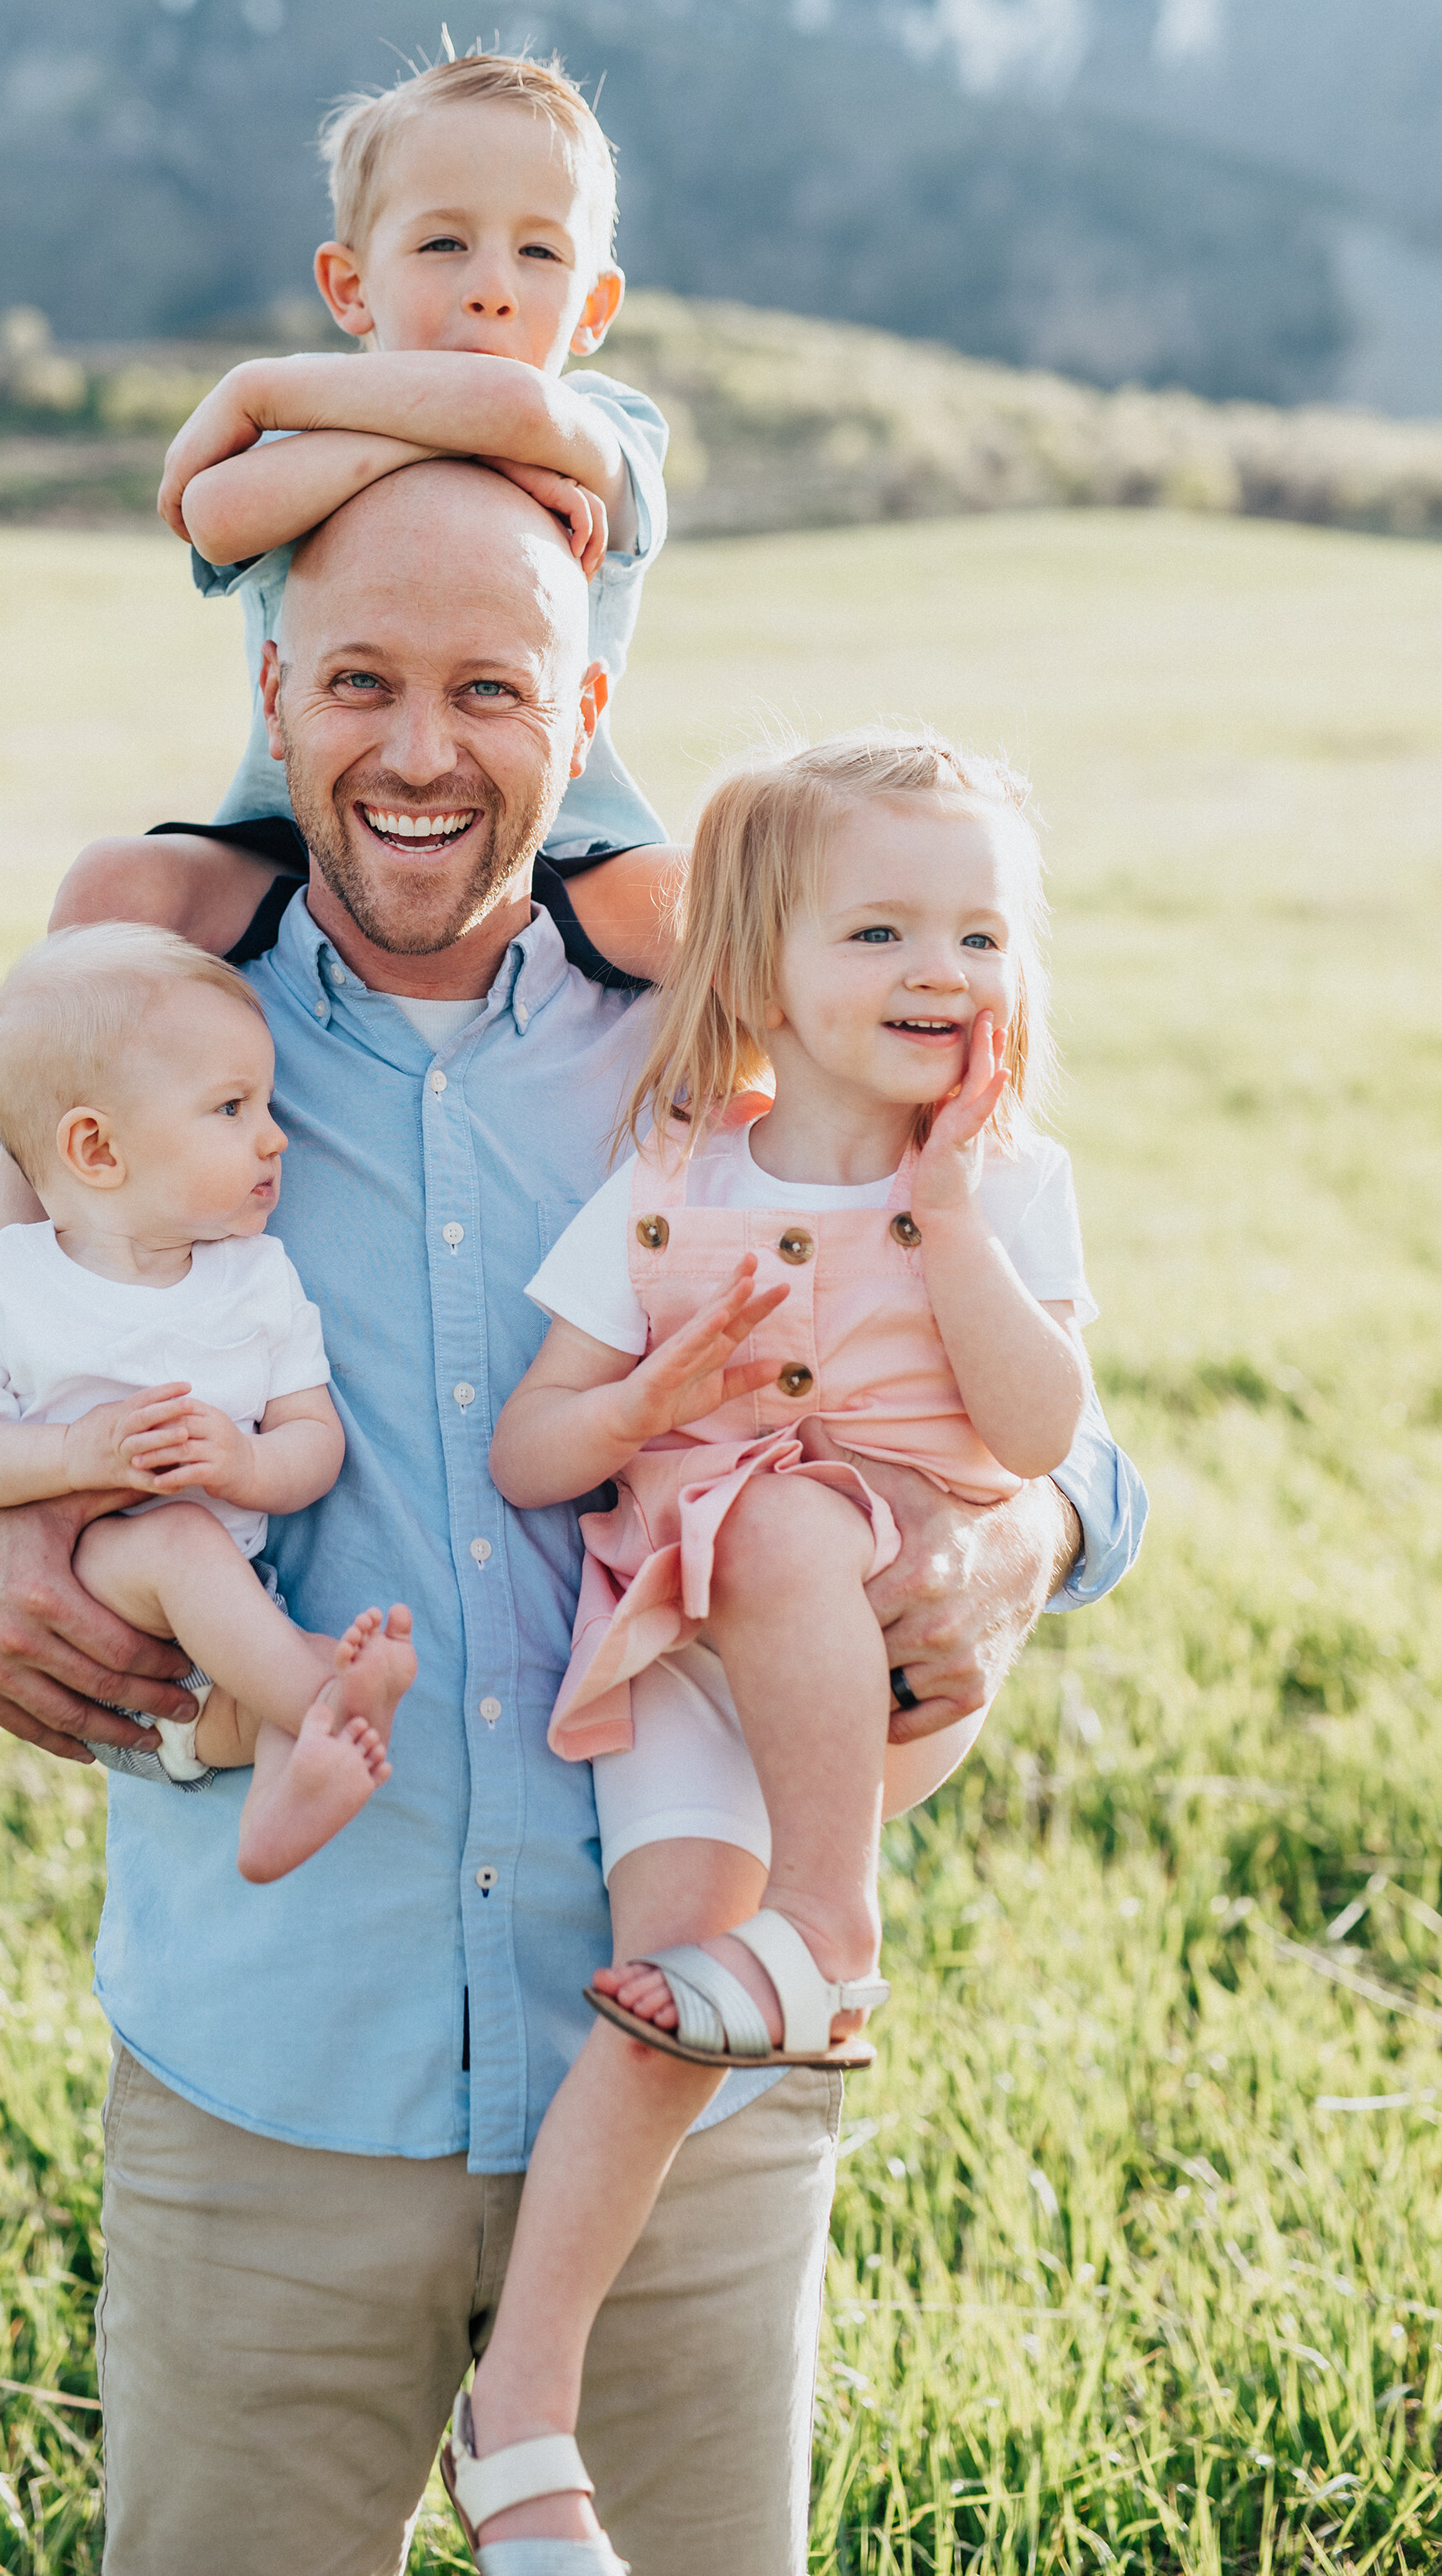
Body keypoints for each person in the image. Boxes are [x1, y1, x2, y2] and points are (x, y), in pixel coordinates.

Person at [0, 460, 1146, 2576]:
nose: (414, 748)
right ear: (271, 694)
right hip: (272, 2079)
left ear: (579, 725)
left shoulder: (742, 1030)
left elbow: (1063, 1424)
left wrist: (1010, 1543)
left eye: (488, 687)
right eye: (358, 681)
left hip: (680, 2082)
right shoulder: (130, 1041)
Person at [441, 734, 1095, 2566]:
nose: (937, 974)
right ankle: (524, 2427)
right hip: (675, 1660)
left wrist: (947, 1220)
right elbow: (531, 1450)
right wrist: (644, 1392)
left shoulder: (1001, 1180)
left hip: (865, 1680)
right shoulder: (671, 1183)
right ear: (756, 968)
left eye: (977, 935)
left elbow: (1040, 1428)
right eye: (879, 928)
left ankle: (830, 1927)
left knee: (799, 1510)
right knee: (654, 2013)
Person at [17, 47, 674, 1178]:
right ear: (348, 285)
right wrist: (346, 424)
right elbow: (212, 508)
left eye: (540, 250)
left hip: (563, 832)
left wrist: (259, 389)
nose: (492, 285)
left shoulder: (609, 426)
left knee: (741, 919)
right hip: (300, 828)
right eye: (441, 242)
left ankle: (767, 1192)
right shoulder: (301, 450)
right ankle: (39, 1254)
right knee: (108, 897)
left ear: (597, 302)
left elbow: (517, 403)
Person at [0, 921, 416, 1883]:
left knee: (258, 1636)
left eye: (266, 1101)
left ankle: (287, 1789)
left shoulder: (258, 1278)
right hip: (91, 1605)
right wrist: (80, 1455)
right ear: (96, 1147)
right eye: (230, 1107)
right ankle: (330, 1699)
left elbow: (312, 1435)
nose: (274, 1132)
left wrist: (246, 1463)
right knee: (179, 1543)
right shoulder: (5, 1282)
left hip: (221, 1638)